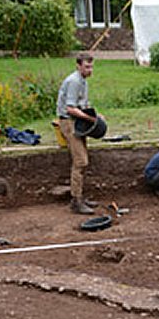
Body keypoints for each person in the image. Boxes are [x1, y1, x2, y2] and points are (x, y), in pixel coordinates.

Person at [57, 52, 102, 215]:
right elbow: (70, 108)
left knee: (83, 160)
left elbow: (82, 104)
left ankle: (80, 196)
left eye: (91, 66)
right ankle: (76, 201)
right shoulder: (75, 81)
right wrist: (90, 118)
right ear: (78, 65)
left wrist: (96, 116)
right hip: (69, 122)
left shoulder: (83, 81)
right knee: (81, 161)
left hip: (76, 122)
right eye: (87, 66)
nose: (90, 70)